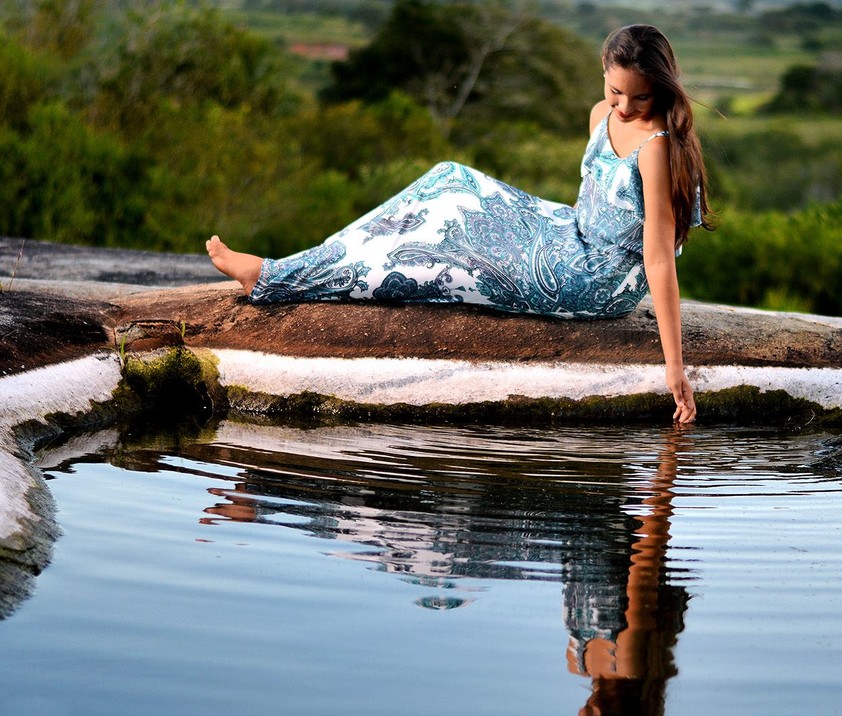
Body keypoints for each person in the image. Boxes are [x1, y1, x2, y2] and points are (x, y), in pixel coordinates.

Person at [206, 23, 713, 424]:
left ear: (661, 90)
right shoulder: (600, 113)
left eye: (639, 98)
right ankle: (311, 259)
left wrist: (673, 367)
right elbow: (592, 202)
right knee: (450, 179)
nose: (624, 107)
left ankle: (272, 277)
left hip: (599, 278)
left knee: (446, 249)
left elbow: (658, 261)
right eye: (616, 91)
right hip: (568, 233)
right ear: (604, 73)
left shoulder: (658, 150)